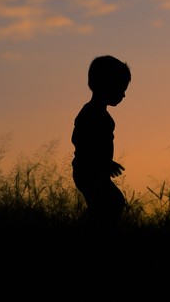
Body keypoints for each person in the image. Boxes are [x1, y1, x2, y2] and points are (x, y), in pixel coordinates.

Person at [71, 55, 131, 230]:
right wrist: (102, 161)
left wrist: (105, 163)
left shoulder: (98, 114)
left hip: (93, 170)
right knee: (112, 202)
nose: (123, 94)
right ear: (107, 85)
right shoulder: (92, 113)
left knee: (106, 204)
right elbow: (79, 140)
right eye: (121, 88)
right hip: (88, 171)